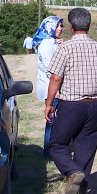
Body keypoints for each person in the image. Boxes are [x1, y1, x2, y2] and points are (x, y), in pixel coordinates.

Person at [44, 8, 97, 194]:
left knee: (57, 144)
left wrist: (50, 103)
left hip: (70, 105)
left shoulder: (64, 48)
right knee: (86, 148)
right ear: (89, 26)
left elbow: (56, 77)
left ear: (70, 26)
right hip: (93, 105)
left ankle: (72, 172)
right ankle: (80, 190)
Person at [31, 15, 64, 154]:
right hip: (51, 87)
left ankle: (53, 148)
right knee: (51, 118)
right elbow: (49, 68)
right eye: (58, 26)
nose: (61, 29)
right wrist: (56, 89)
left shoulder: (52, 42)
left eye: (61, 26)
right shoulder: (46, 44)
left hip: (54, 86)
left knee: (56, 118)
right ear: (50, 26)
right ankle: (49, 150)